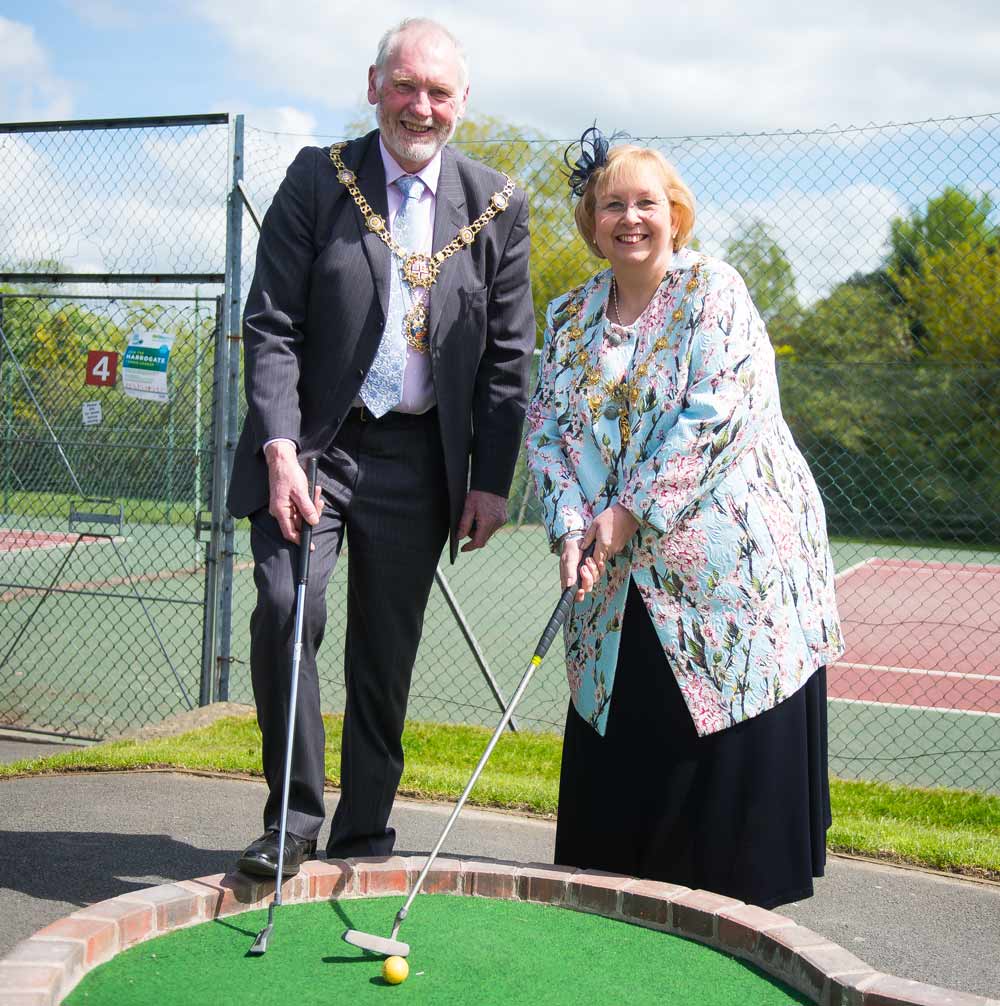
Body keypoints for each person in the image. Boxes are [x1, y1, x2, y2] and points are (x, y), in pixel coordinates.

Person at [226, 18, 535, 877]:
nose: (421, 106)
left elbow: (510, 359)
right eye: (406, 86)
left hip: (419, 460)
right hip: (316, 446)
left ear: (462, 103)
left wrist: (491, 480)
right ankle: (290, 821)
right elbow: (272, 326)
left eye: (439, 92)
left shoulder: (497, 206)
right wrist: (280, 448)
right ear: (374, 86)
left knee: (384, 651)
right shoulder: (319, 181)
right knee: (290, 608)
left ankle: (364, 832)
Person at [524, 128, 844, 909]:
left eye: (646, 203)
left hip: (732, 570)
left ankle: (731, 909)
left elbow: (717, 414)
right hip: (612, 572)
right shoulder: (568, 318)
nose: (629, 219)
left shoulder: (715, 292)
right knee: (627, 733)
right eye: (612, 206)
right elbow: (548, 430)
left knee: (720, 724)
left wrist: (629, 513)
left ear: (675, 215)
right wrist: (571, 525)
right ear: (591, 222)